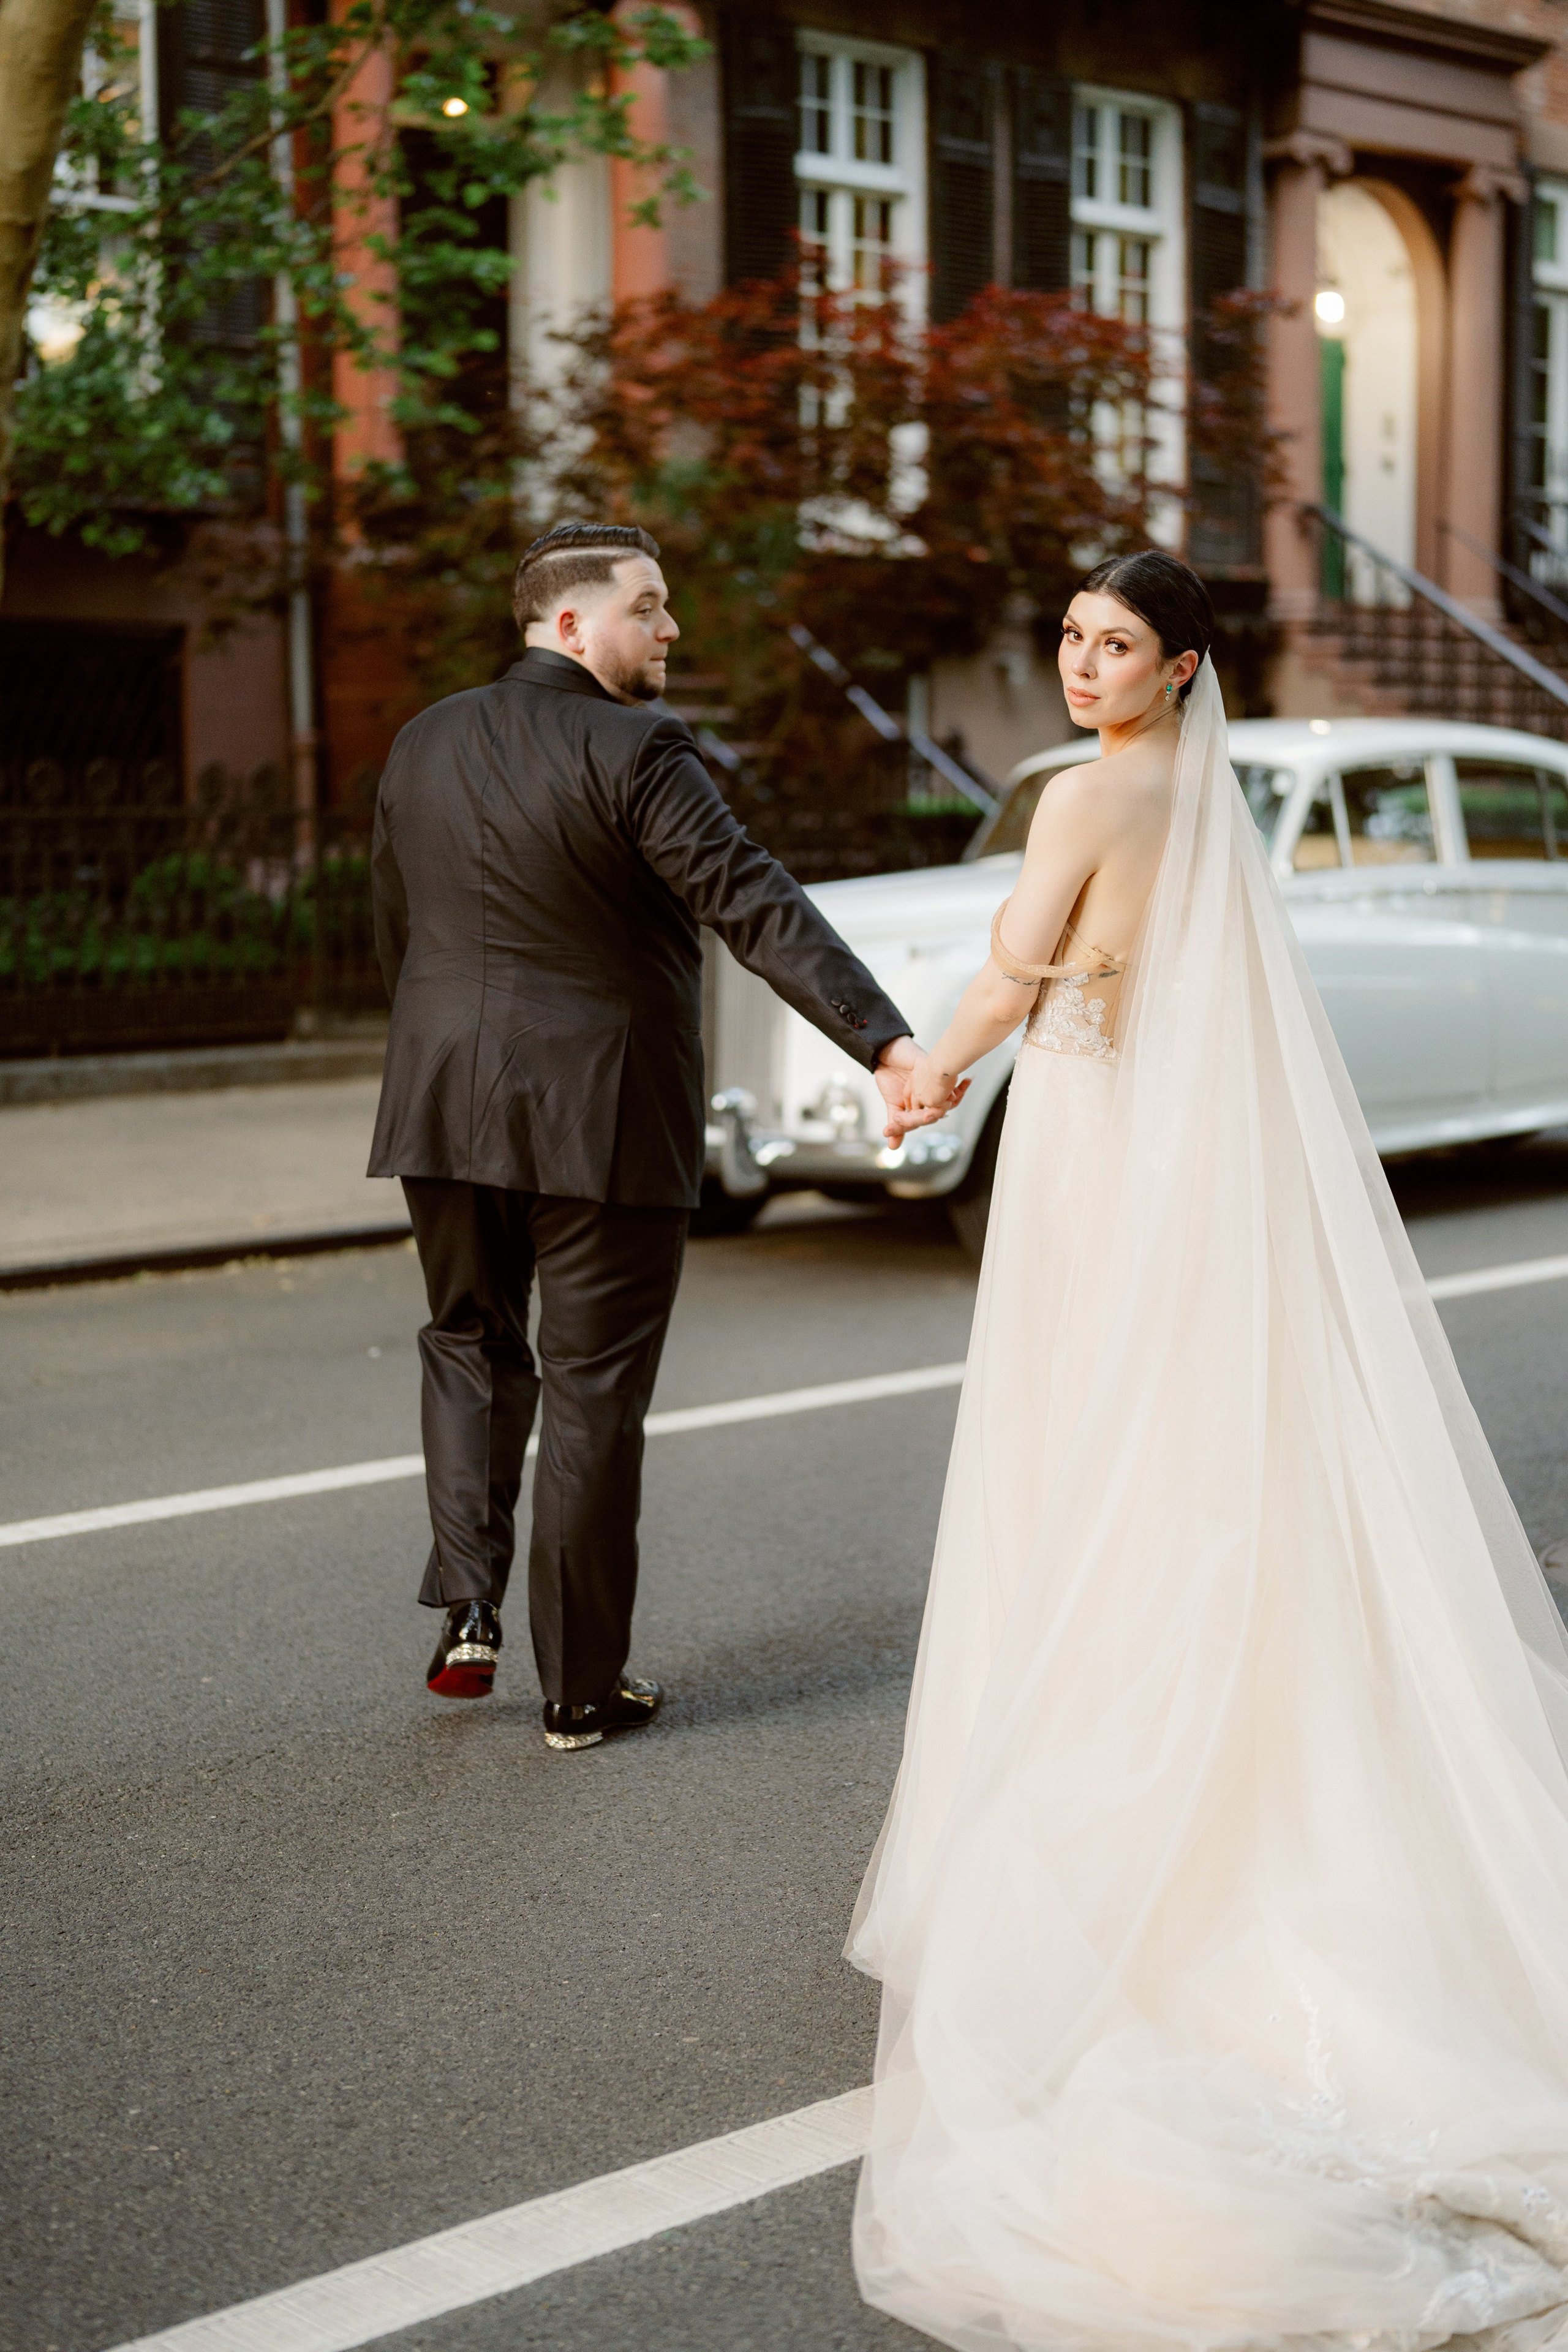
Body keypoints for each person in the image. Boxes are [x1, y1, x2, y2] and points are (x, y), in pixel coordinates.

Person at [851, 548, 1568, 2349]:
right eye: (1077, 641)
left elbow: (1019, 973)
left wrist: (919, 1072)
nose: (1086, 667)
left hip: (1093, 1159)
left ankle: (1109, 1841)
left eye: (1118, 646)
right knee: (1164, 1473)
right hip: (1153, 1152)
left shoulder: (1102, 791)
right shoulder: (1206, 794)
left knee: (1081, 1472)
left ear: (1182, 666)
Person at [369, 520, 929, 1751]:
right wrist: (883, 1042)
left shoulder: (423, 739)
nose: (671, 630)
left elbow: (395, 930)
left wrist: (433, 1059)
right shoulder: (636, 744)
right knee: (589, 1396)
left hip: (439, 1102)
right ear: (570, 625)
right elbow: (750, 900)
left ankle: (470, 1608)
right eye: (649, 607)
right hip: (602, 1115)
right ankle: (578, 1689)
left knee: (465, 1342)